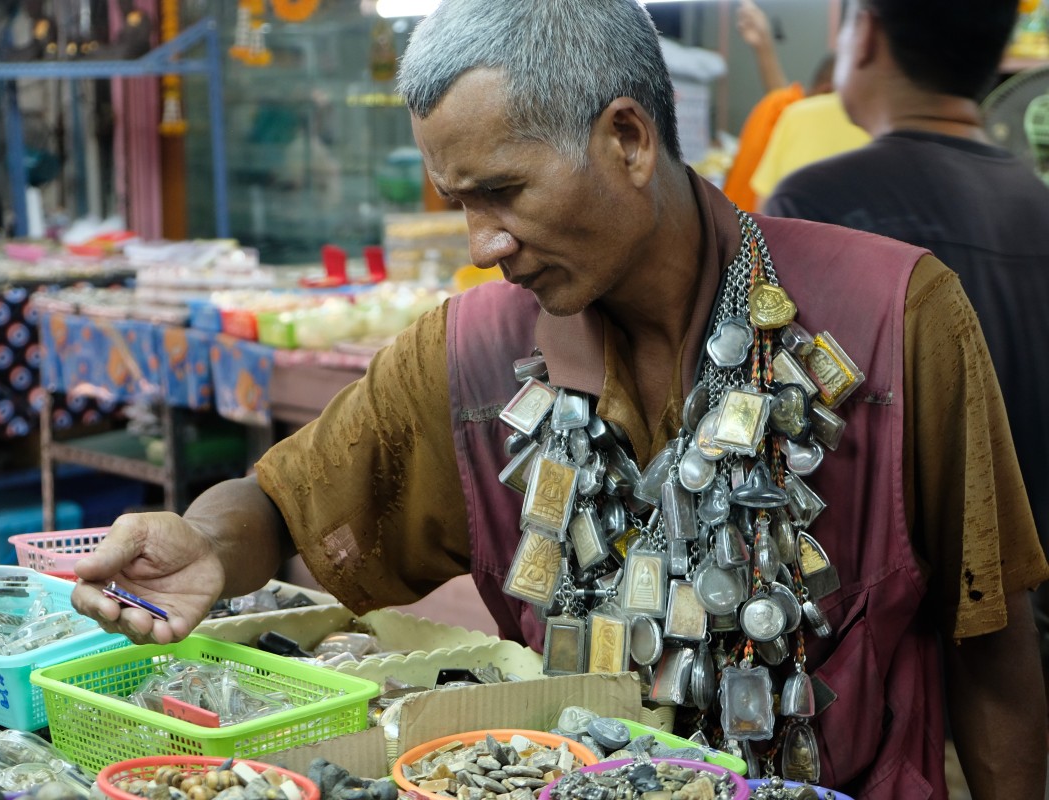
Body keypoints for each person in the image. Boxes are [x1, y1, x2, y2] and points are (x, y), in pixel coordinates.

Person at [71, 2, 1047, 797]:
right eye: (459, 200)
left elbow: (991, 636)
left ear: (627, 137)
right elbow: (285, 498)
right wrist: (204, 538)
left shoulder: (891, 318)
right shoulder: (471, 355)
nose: (480, 241)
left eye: (502, 191)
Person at [762, 0, 1049, 750]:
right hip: (1025, 622)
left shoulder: (817, 208)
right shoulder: (1036, 203)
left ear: (869, 38)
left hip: (886, 649)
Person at [722, 0, 835, 211]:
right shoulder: (797, 118)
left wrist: (763, 44)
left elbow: (783, 98)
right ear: (827, 92)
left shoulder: (784, 109)